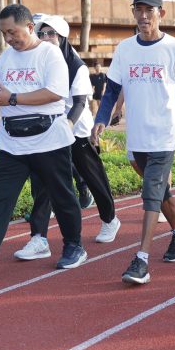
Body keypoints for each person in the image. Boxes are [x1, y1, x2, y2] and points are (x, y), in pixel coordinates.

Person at [0, 4, 86, 283]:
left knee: (62, 196)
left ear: (29, 27)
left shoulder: (49, 53)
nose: (8, 38)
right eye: (4, 33)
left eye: (12, 32)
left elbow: (55, 93)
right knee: (0, 199)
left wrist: (13, 98)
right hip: (11, 143)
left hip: (49, 140)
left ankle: (74, 246)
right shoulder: (6, 58)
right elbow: (1, 91)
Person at [95, 0, 175, 285]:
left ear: (160, 13)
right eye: (138, 10)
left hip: (164, 134)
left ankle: (141, 259)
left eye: (149, 10)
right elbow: (112, 90)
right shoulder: (125, 49)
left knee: (150, 193)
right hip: (137, 135)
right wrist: (101, 119)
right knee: (159, 191)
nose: (143, 16)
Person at [13, 15, 120, 262]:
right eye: (42, 34)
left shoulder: (76, 66)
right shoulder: (38, 61)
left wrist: (67, 126)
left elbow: (80, 102)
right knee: (42, 183)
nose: (46, 38)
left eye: (51, 34)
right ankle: (38, 238)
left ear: (62, 37)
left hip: (76, 130)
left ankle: (110, 218)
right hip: (46, 132)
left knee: (92, 177)